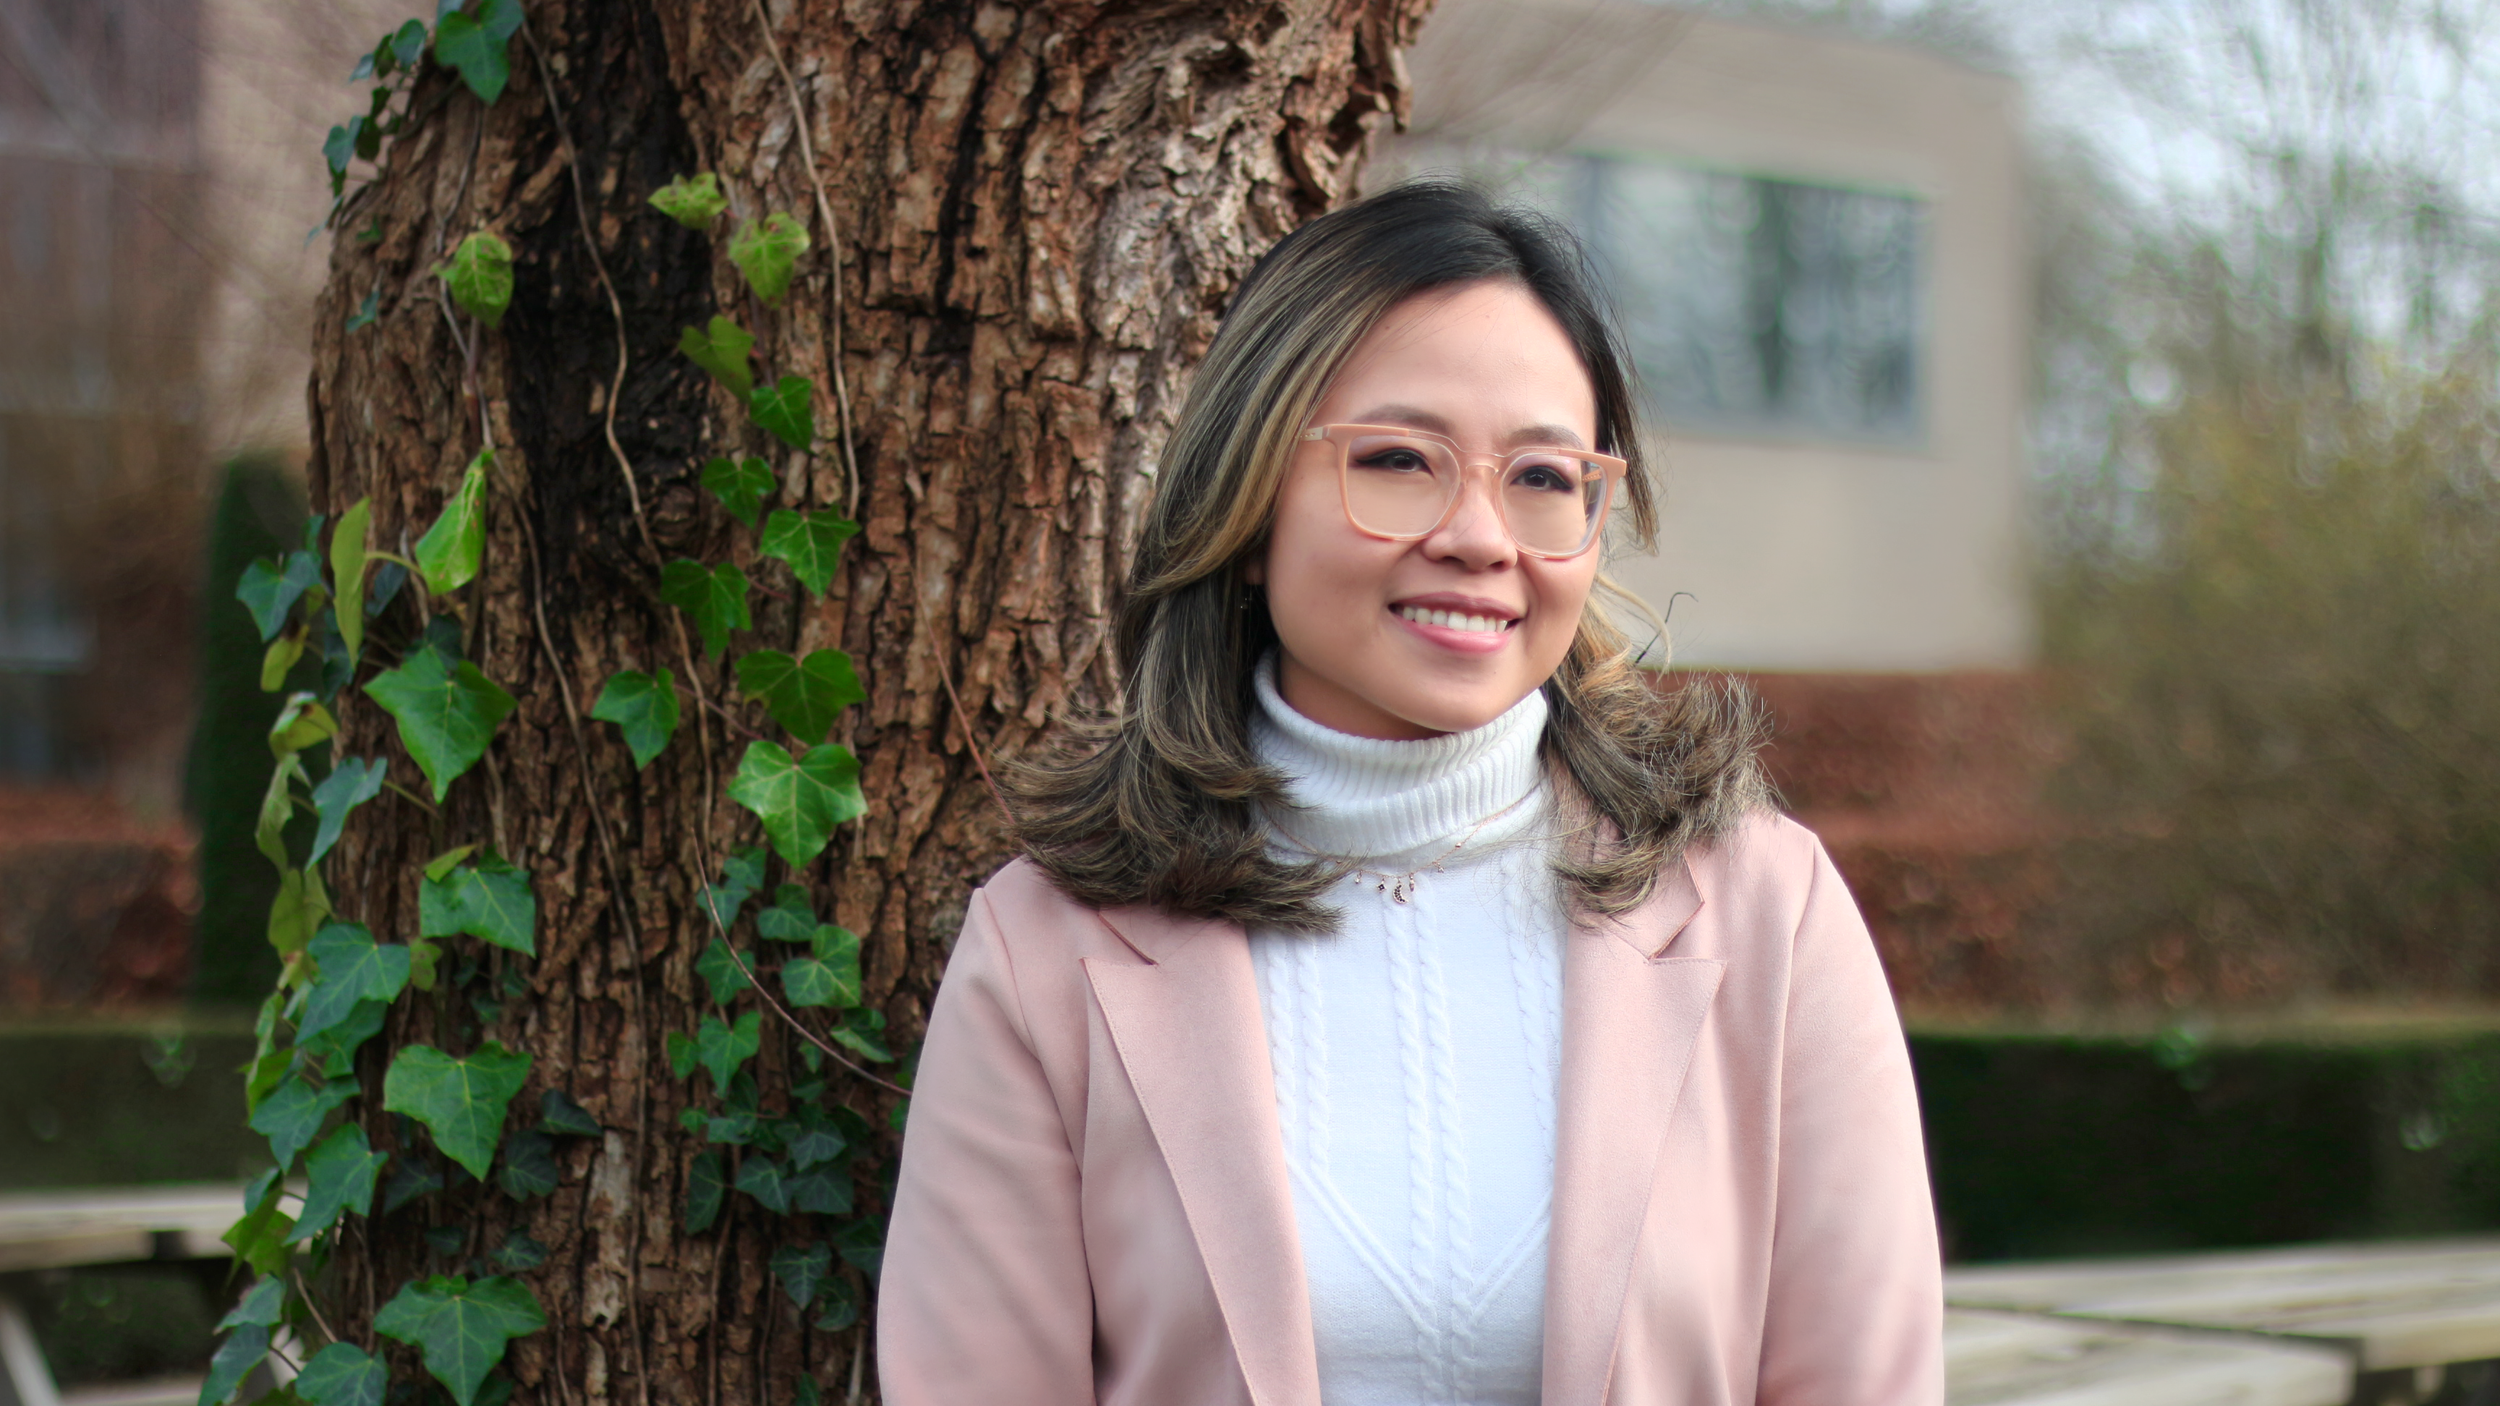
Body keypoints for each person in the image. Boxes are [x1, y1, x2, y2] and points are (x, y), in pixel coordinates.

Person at [877, 180, 1943, 1406]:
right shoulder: (1045, 948)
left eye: (1543, 474)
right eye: (1396, 459)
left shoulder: (1765, 910)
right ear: (1248, 497)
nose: (1481, 536)